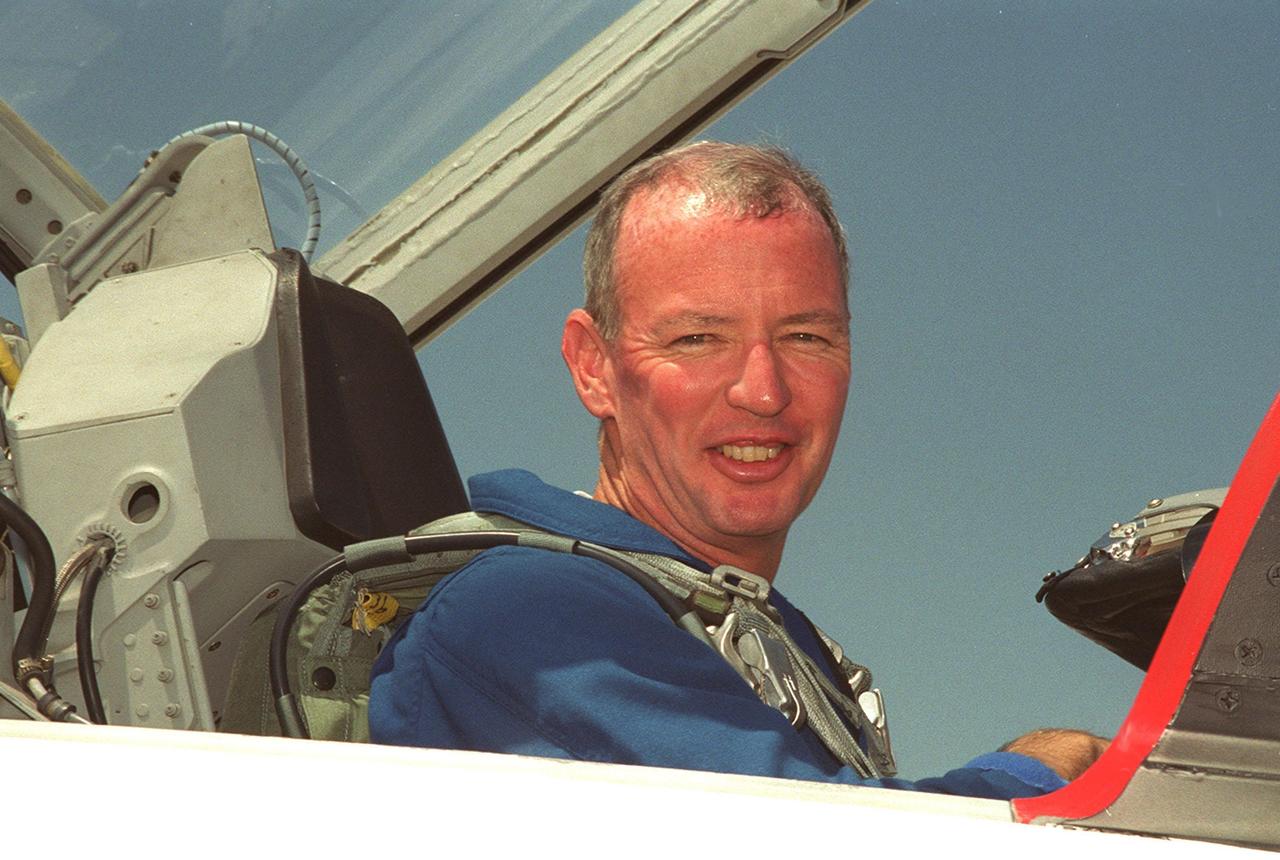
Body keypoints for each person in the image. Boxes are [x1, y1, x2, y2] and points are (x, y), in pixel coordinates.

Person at [368, 141, 1104, 796]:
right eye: (697, 338)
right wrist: (1042, 768)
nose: (763, 390)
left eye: (807, 336)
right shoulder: (526, 613)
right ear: (593, 368)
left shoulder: (750, 636)